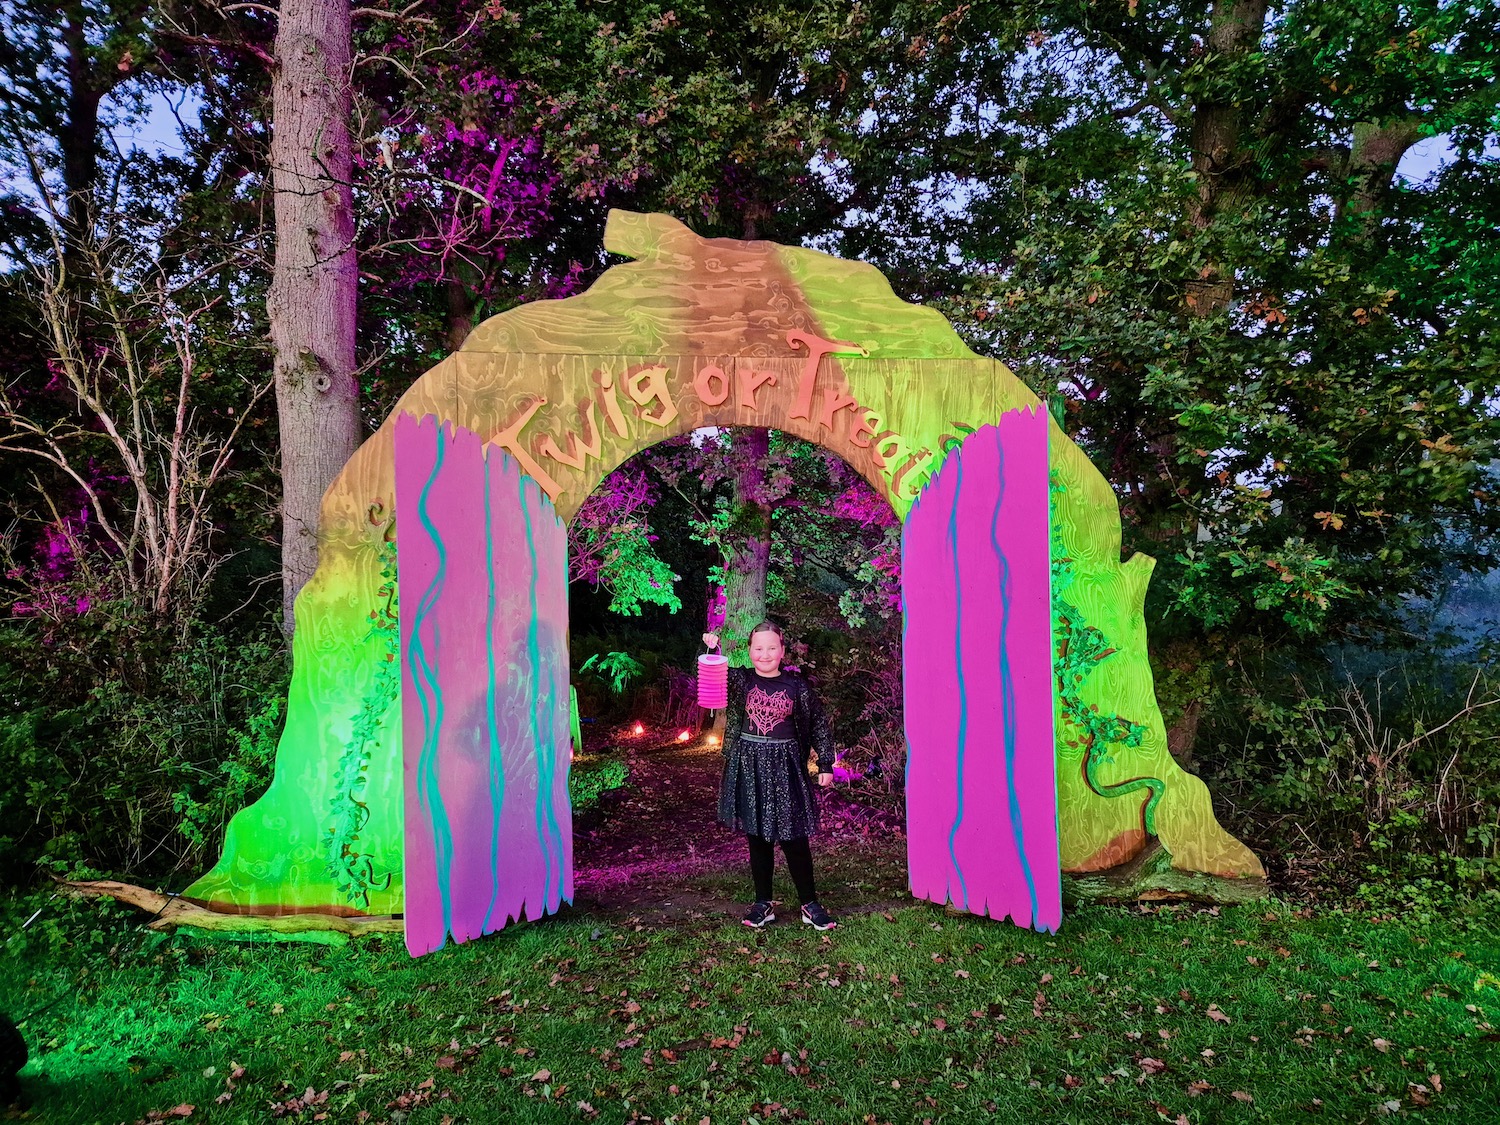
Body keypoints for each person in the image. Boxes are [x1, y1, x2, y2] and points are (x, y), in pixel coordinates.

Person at [702, 621, 837, 931]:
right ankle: (763, 903)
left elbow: (817, 723)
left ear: (782, 651)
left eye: (772, 647)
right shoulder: (740, 680)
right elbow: (708, 674)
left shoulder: (796, 686)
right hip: (748, 763)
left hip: (785, 765)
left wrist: (826, 762)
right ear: (749, 651)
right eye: (758, 648)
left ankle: (809, 903)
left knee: (793, 835)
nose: (765, 654)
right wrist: (709, 648)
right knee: (758, 836)